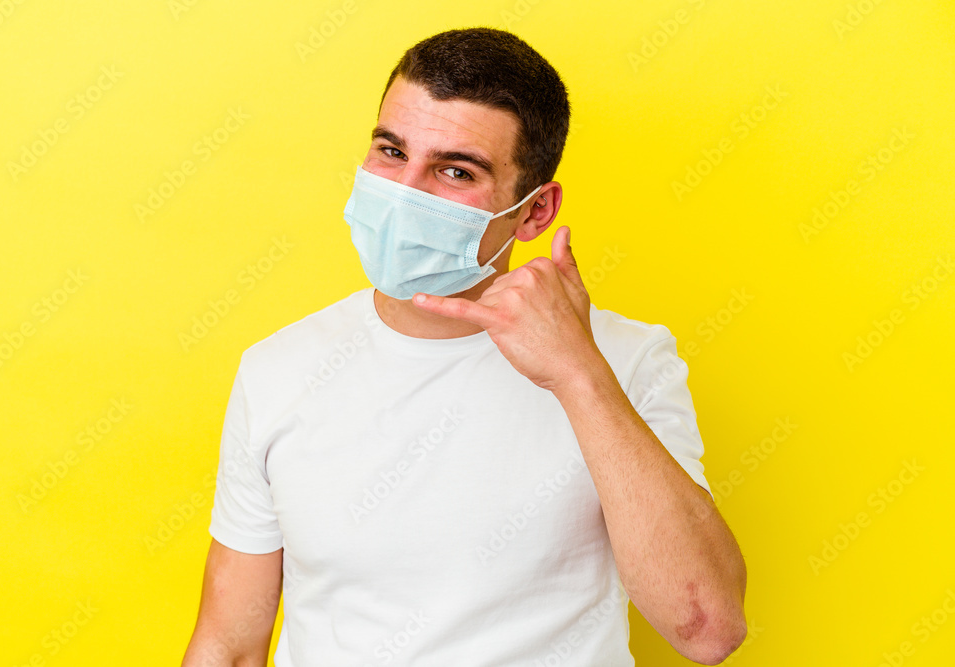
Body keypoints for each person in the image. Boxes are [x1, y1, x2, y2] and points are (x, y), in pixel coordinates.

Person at [183, 27, 747, 667]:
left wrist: (578, 374)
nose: (406, 193)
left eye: (455, 170)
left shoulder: (627, 361)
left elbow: (707, 628)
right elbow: (229, 644)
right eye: (391, 152)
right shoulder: (276, 370)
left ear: (534, 213)